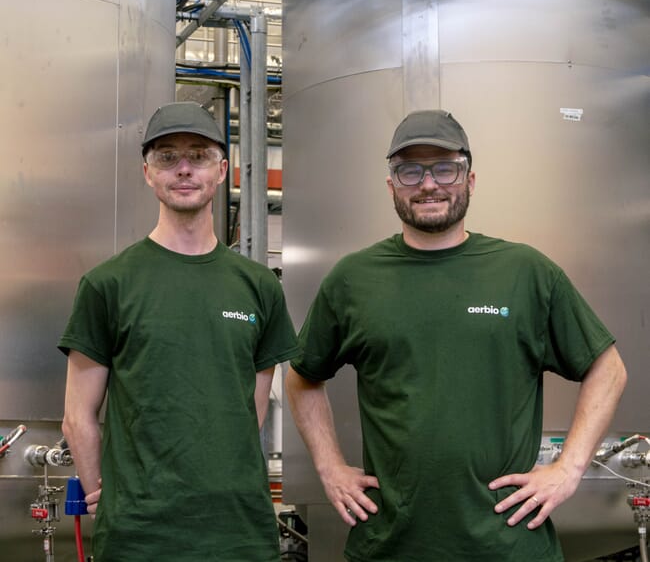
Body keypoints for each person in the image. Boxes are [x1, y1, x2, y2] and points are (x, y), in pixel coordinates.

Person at [285, 109, 627, 561]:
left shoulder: (525, 272)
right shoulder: (353, 279)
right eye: (410, 170)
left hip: (508, 546)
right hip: (390, 546)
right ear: (392, 185)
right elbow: (302, 375)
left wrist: (569, 469)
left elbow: (608, 369)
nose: (429, 184)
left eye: (445, 168)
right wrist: (329, 467)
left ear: (470, 179)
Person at [60, 101, 300, 561]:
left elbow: (248, 412)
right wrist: (105, 500)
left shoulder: (258, 286)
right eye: (167, 157)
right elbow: (77, 416)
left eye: (199, 155)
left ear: (222, 170)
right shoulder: (108, 284)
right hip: (140, 537)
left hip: (240, 532)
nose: (184, 169)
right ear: (148, 173)